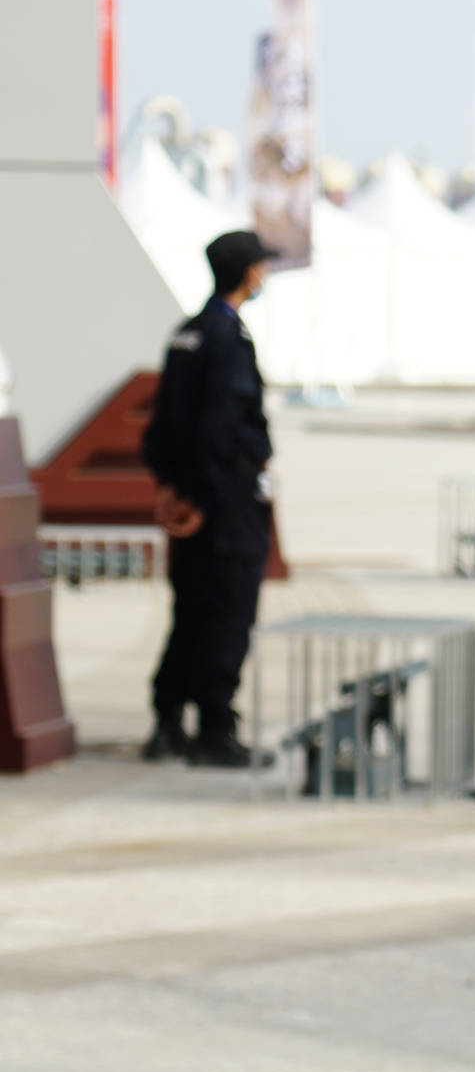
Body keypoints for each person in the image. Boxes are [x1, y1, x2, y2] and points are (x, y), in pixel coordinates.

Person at [140, 230, 275, 767]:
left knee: (191, 610)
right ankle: (214, 728)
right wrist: (205, 497)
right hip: (224, 505)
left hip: (193, 500)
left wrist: (173, 488)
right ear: (248, 273)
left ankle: (168, 720)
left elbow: (163, 428)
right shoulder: (227, 339)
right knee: (227, 610)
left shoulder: (186, 333)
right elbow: (221, 428)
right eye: (262, 268)